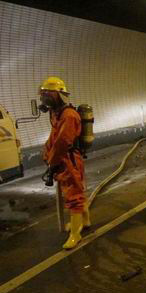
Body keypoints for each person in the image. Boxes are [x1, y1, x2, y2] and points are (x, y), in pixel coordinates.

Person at [40, 77, 90, 250]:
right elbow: (54, 137)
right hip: (61, 159)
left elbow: (63, 142)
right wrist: (46, 152)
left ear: (59, 94)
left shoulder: (69, 115)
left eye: (48, 92)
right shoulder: (56, 113)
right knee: (75, 190)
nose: (44, 96)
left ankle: (75, 234)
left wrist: (51, 163)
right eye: (43, 93)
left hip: (69, 160)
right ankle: (84, 220)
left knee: (74, 195)